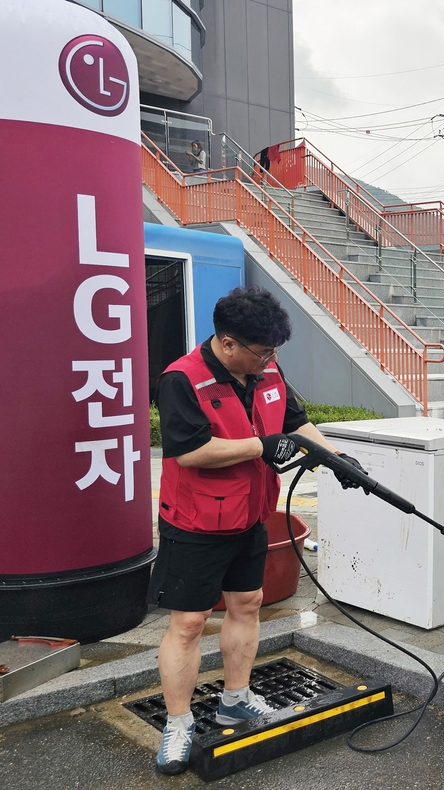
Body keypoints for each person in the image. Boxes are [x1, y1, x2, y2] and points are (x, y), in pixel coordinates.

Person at [148, 286, 362, 774]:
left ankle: (235, 699)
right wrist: (259, 447)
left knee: (247, 604)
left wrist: (334, 459)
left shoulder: (266, 369)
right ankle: (178, 723)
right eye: (261, 351)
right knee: (189, 623)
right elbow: (190, 452)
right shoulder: (182, 379)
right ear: (227, 344)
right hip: (195, 521)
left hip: (249, 515)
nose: (269, 361)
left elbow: (296, 420)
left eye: (273, 352)